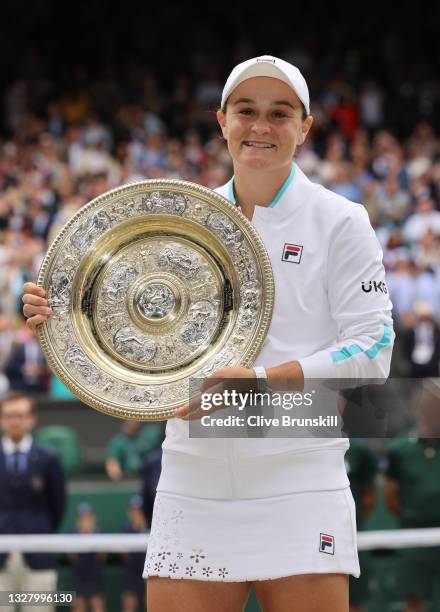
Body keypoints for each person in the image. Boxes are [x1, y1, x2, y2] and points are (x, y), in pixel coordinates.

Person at [22, 54, 394, 612]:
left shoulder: (340, 220)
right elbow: (127, 326)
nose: (261, 127)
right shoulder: (181, 219)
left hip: (300, 477)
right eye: (246, 111)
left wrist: (261, 383)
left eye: (280, 113)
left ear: (306, 127)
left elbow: (374, 351)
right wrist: (62, 310)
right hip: (191, 477)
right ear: (222, 121)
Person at [0, 391, 66, 612]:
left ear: (32, 419)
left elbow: (58, 505)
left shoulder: (49, 458)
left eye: (20, 415)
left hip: (39, 554)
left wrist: (40, 530)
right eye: (9, 415)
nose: (14, 421)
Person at [384, 380, 440, 612]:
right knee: (414, 601)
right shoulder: (400, 450)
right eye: (431, 405)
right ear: (420, 408)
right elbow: (390, 497)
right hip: (414, 535)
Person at [69, 502, 106, 612]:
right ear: (78, 519)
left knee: (97, 605)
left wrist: (91, 536)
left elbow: (103, 558)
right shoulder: (73, 534)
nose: (85, 519)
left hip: (95, 576)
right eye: (82, 517)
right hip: (79, 576)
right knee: (78, 606)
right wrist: (82, 537)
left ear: (93, 518)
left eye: (88, 516)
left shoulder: (99, 533)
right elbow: (72, 558)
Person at [121, 495, 148, 612]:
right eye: (134, 511)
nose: (136, 513)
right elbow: (124, 554)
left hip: (148, 572)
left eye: (139, 510)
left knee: (151, 603)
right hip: (132, 572)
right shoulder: (125, 529)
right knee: (129, 605)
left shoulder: (151, 527)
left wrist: (142, 528)